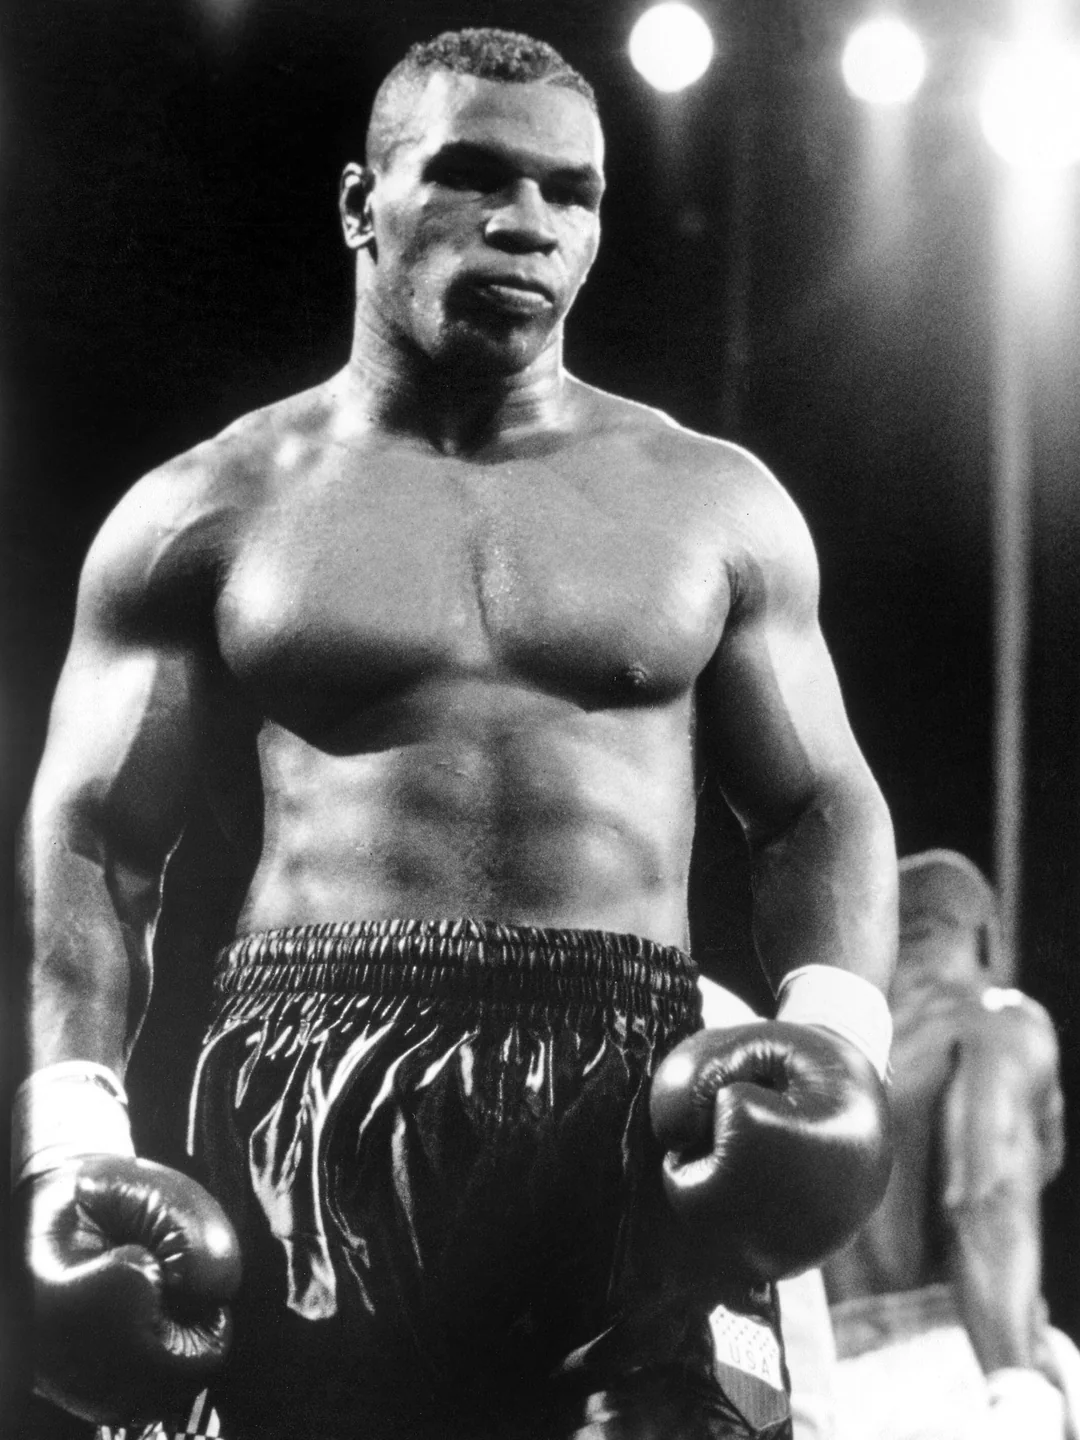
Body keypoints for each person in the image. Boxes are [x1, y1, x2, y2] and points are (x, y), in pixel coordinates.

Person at [15, 28, 898, 1440]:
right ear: (363, 203)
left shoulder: (714, 503)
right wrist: (67, 1143)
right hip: (311, 1082)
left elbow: (818, 805)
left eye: (574, 192)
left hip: (629, 1098)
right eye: (472, 175)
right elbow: (93, 842)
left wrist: (839, 1033)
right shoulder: (208, 509)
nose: (527, 223)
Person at [824, 849, 1080, 1440]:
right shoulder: (994, 1023)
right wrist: (1015, 1386)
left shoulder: (824, 1070)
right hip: (963, 1372)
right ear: (988, 941)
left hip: (835, 1394)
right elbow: (984, 1188)